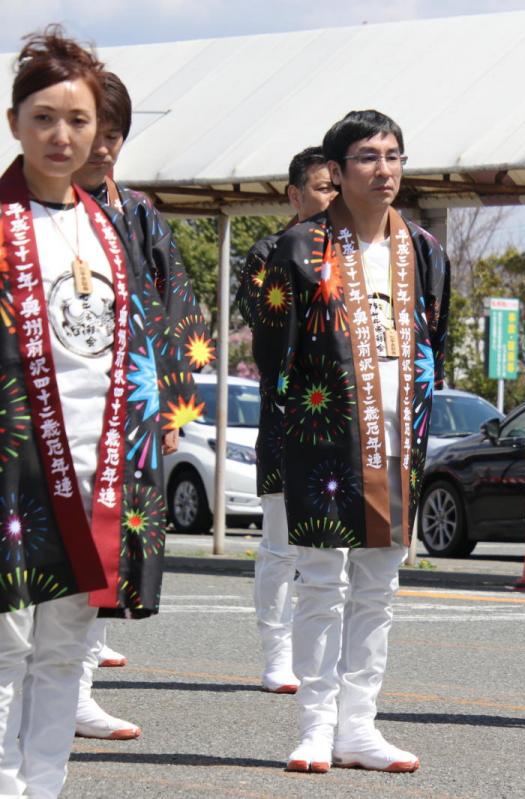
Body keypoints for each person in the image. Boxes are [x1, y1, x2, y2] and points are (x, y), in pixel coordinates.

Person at [0, 27, 204, 798]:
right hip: (13, 471)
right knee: (5, 645)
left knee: (63, 646)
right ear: (15, 121)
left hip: (97, 469)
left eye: (78, 120)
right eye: (45, 117)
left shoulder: (108, 229)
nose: (62, 136)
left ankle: (44, 783)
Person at [255, 109, 449, 773]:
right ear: (335, 173)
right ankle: (315, 724)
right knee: (319, 582)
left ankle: (359, 724)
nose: (385, 169)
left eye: (394, 155)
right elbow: (273, 353)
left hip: (399, 446)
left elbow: (434, 341)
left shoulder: (422, 249)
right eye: (368, 157)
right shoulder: (299, 249)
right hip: (323, 443)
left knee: (378, 590)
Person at [69, 68, 212, 743]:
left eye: (115, 134)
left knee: (105, 552)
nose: (103, 147)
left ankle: (77, 685)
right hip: (54, 405)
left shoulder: (139, 214)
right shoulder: (33, 211)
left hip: (129, 415)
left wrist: (179, 410)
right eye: (96, 129)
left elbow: (181, 310)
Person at [236, 146, 337, 695]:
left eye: (337, 187)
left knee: (335, 550)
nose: (332, 199)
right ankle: (276, 653)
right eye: (323, 188)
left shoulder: (363, 250)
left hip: (344, 423)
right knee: (281, 544)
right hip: (288, 415)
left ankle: (318, 653)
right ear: (295, 195)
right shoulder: (269, 253)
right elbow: (272, 328)